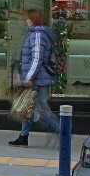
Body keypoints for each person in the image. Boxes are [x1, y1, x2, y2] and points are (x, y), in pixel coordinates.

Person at [9, 8, 60, 147]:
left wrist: (29, 77)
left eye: (28, 18)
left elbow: (36, 58)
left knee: (42, 109)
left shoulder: (37, 34)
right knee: (28, 107)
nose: (26, 21)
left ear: (34, 20)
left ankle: (62, 131)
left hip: (37, 79)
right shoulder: (34, 33)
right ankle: (23, 137)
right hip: (36, 78)